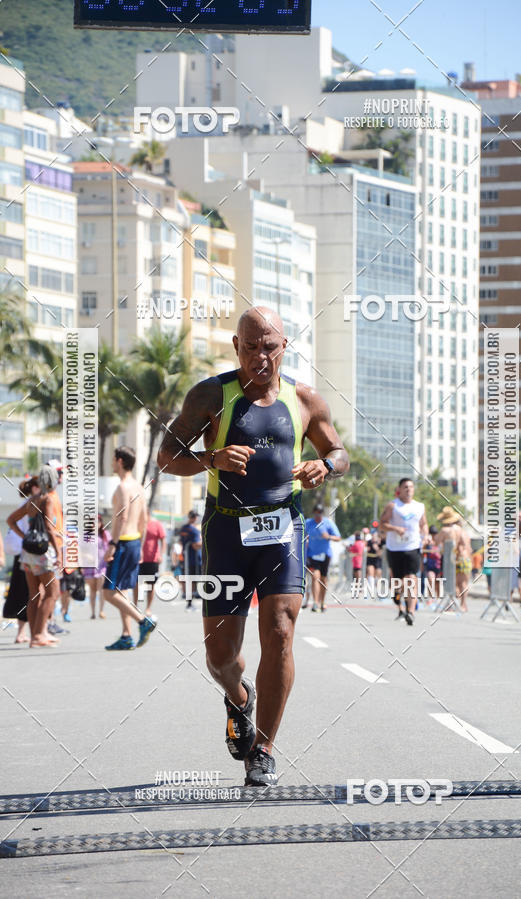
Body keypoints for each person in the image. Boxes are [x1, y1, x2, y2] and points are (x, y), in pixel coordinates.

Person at [157, 306, 349, 787]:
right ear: (236, 347)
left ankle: (263, 749)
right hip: (226, 532)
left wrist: (326, 466)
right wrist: (211, 458)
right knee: (219, 657)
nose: (260, 357)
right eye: (250, 347)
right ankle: (239, 698)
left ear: (284, 346)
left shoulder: (304, 400)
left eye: (269, 347)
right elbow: (166, 457)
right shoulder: (210, 395)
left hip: (284, 529)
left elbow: (338, 451)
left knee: (280, 630)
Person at [102, 446, 155, 651]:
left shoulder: (123, 487)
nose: (111, 463)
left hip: (123, 542)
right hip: (134, 542)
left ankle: (143, 621)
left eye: (113, 459)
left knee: (108, 593)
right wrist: (140, 546)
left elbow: (122, 517)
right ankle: (126, 636)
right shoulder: (139, 488)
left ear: (120, 461)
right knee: (122, 590)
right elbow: (144, 519)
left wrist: (113, 544)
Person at [7, 465, 64, 647]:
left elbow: (10, 520)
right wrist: (59, 553)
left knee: (34, 594)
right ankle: (39, 635)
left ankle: (34, 637)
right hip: (43, 552)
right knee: (52, 592)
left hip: (27, 552)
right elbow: (49, 528)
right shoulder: (47, 499)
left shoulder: (32, 500)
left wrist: (24, 536)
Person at [381, 478, 428, 625]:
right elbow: (382, 524)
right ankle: (400, 602)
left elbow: (424, 524)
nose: (408, 490)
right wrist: (395, 529)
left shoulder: (419, 506)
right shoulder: (393, 505)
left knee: (412, 578)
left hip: (413, 546)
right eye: (405, 487)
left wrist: (426, 536)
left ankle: (411, 612)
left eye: (411, 487)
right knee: (398, 582)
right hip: (395, 548)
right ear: (399, 489)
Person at [3, 477, 39, 643]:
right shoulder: (32, 503)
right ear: (35, 488)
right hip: (30, 552)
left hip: (22, 552)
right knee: (31, 592)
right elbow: (11, 521)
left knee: (22, 591)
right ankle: (34, 632)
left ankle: (23, 632)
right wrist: (26, 537)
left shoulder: (27, 503)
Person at [305, 503, 341, 612]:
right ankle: (315, 603)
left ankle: (322, 602)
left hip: (325, 555)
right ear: (313, 513)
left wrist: (328, 536)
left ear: (322, 514)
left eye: (319, 514)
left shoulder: (328, 523)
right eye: (316, 514)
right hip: (312, 555)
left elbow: (338, 537)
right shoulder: (308, 523)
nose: (318, 516)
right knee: (315, 577)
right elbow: (301, 534)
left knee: (323, 579)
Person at [435, 507, 471, 612]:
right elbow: (465, 545)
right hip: (465, 558)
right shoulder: (461, 530)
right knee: (463, 583)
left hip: (452, 559)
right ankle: (463, 605)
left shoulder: (445, 530)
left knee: (452, 583)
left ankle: (451, 604)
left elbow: (437, 542)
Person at [134, 515, 165, 615]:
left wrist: (161, 555)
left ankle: (148, 608)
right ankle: (135, 605)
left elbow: (163, 540)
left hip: (152, 559)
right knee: (136, 583)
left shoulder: (156, 524)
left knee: (151, 585)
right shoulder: (138, 523)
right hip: (139, 559)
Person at [82, 514, 111, 619]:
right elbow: (80, 550)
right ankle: (93, 612)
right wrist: (86, 556)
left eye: (97, 522)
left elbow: (111, 547)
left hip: (102, 566)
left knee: (102, 589)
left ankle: (101, 611)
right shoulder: (86, 536)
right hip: (89, 567)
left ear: (101, 523)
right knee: (92, 590)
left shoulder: (106, 534)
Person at [180, 510, 202, 609]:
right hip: (194, 560)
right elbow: (196, 545)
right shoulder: (194, 530)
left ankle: (189, 601)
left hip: (186, 559)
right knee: (193, 581)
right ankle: (190, 602)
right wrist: (206, 541)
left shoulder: (184, 528)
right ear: (194, 517)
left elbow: (181, 542)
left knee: (188, 580)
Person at [422, 525, 442, 603]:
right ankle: (430, 597)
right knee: (431, 579)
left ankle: (438, 598)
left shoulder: (440, 543)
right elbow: (422, 553)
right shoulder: (427, 543)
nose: (433, 536)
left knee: (438, 582)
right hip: (430, 565)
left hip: (439, 566)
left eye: (435, 534)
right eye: (432, 534)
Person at [365, 529, 383, 595]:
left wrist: (377, 548)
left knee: (378, 573)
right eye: (373, 535)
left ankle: (379, 590)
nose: (374, 537)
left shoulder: (380, 542)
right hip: (370, 559)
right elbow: (365, 549)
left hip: (377, 559)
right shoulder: (369, 542)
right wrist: (366, 549)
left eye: (375, 535)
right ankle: (371, 590)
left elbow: (381, 554)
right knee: (370, 572)